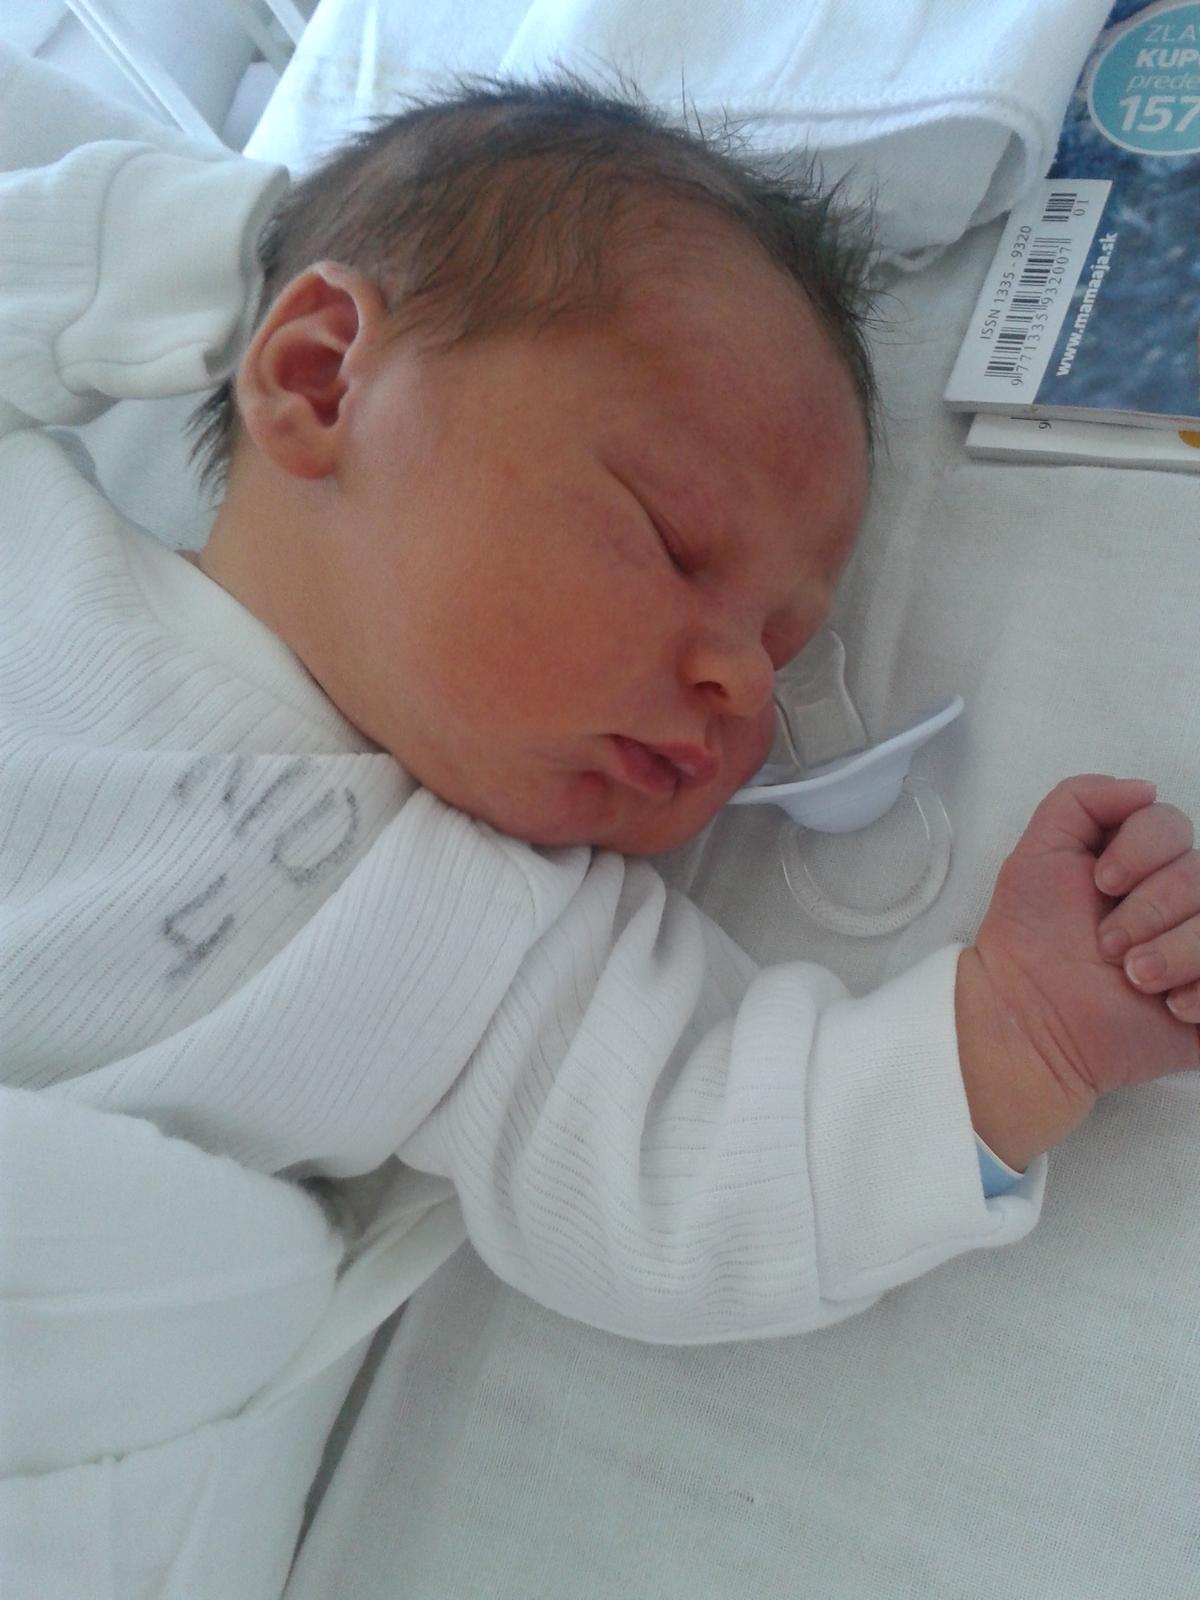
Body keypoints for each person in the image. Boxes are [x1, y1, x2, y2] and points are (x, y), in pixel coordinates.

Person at [2, 77, 1198, 1346]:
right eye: (674, 543)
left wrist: (1023, 1032)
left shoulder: (468, 930)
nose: (746, 685)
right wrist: (216, 252)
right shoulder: (34, 528)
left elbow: (694, 1169)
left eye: (782, 649)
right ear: (316, 377)